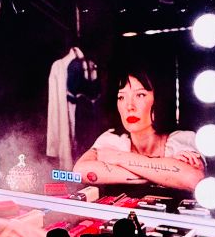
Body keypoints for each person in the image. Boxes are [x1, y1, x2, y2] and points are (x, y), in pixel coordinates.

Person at [72, 67, 205, 196]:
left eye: (140, 95)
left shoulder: (183, 139)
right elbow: (79, 172)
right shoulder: (113, 139)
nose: (129, 106)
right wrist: (165, 172)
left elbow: (193, 179)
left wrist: (118, 158)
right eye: (121, 97)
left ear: (158, 100)